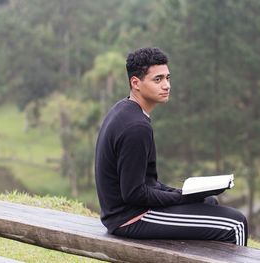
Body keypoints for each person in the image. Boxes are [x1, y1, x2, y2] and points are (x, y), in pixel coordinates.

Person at [94, 47, 247, 246]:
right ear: (136, 83)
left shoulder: (124, 109)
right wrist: (181, 198)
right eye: (158, 80)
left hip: (129, 212)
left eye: (167, 78)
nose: (166, 85)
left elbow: (145, 183)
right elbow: (133, 193)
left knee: (209, 203)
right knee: (236, 224)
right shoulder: (136, 128)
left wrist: (184, 194)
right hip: (130, 218)